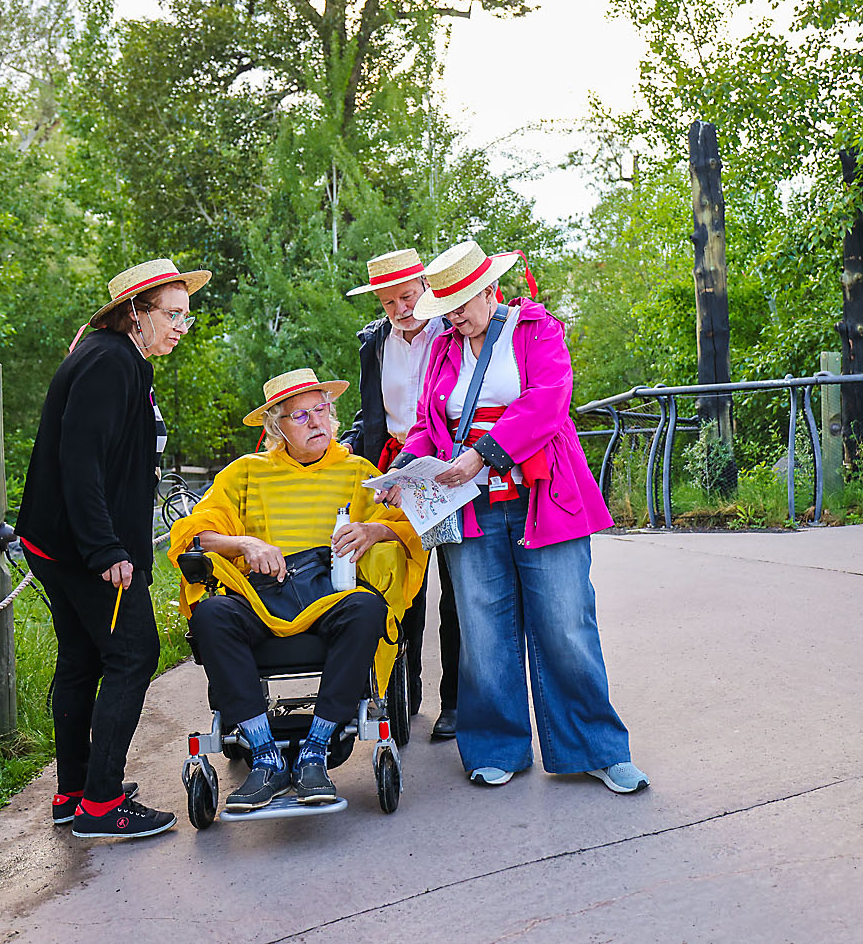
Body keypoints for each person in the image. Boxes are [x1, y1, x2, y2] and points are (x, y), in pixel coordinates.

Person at [378, 240, 647, 793]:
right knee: (483, 631)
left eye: (460, 302)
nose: (453, 315)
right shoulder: (445, 349)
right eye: (445, 306)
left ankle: (595, 748)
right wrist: (404, 467)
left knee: (568, 625)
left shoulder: (536, 329)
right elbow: (431, 420)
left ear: (486, 288)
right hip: (472, 508)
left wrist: (485, 452)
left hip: (540, 498)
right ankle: (496, 746)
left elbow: (548, 402)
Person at [168, 370, 425, 810]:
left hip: (331, 592)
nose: (315, 422)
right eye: (300, 415)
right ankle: (264, 754)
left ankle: (315, 750)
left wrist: (373, 529)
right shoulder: (246, 474)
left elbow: (407, 529)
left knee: (366, 609)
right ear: (276, 427)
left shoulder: (358, 473)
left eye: (321, 410)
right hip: (262, 593)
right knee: (211, 616)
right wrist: (244, 543)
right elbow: (195, 536)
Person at [16, 258, 209, 839]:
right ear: (136, 312)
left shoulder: (114, 357)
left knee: (81, 658)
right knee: (133, 654)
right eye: (171, 314)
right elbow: (80, 462)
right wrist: (105, 549)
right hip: (84, 550)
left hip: (55, 542)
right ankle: (101, 805)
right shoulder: (110, 362)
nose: (180, 325)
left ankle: (73, 793)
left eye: (187, 317)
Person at [345, 248, 461, 741]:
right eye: (389, 301)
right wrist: (344, 448)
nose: (400, 308)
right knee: (401, 589)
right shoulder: (374, 343)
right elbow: (370, 414)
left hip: (447, 468)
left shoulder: (453, 333)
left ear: (426, 288)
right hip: (393, 474)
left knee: (457, 592)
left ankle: (454, 703)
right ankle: (403, 694)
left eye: (407, 296)